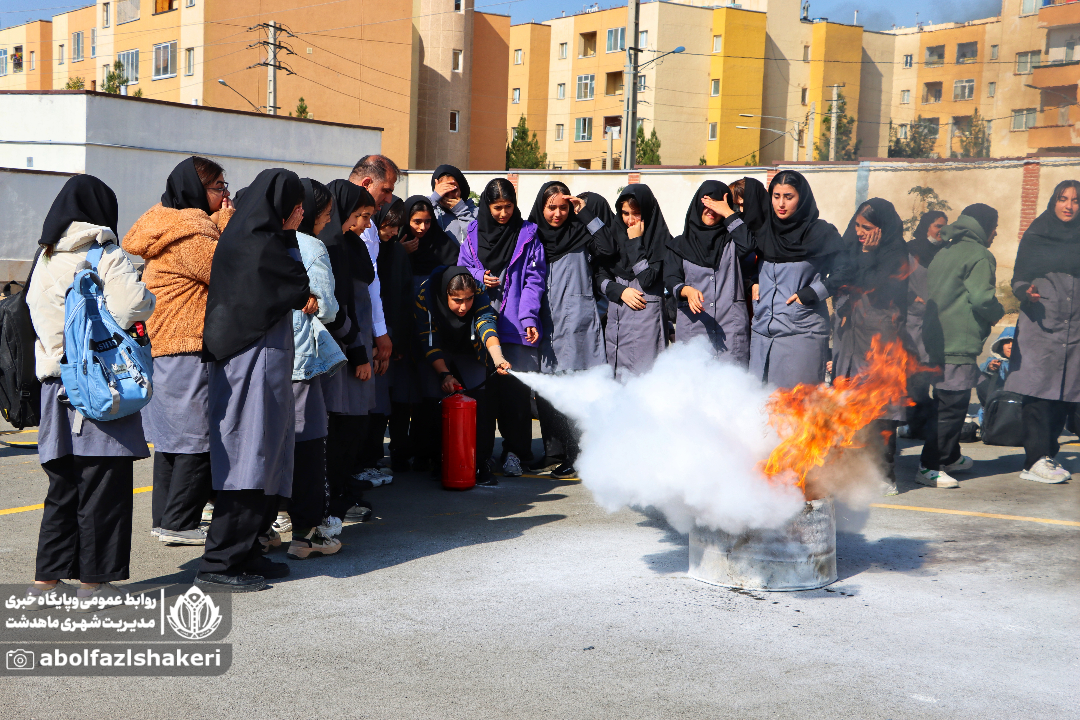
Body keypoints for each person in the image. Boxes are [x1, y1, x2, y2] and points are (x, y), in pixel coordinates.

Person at [25, 175, 156, 604]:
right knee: (104, 483)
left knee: (63, 483)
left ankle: (48, 577)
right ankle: (94, 582)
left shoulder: (44, 257)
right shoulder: (104, 253)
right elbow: (130, 305)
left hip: (55, 384)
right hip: (99, 383)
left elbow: (32, 310)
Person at [197, 168, 311, 591]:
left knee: (268, 455)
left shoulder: (257, 238)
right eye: (294, 206)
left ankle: (248, 551)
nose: (299, 213)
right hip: (249, 362)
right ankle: (221, 560)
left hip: (265, 360)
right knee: (248, 457)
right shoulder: (258, 245)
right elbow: (301, 286)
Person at [122, 156, 230, 546]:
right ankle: (181, 521)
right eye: (219, 187)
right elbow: (228, 274)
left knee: (172, 439)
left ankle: (167, 519)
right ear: (196, 191)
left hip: (164, 345)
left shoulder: (168, 226)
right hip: (186, 343)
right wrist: (226, 224)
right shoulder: (193, 233)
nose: (225, 194)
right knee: (195, 437)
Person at [458, 178, 546, 476]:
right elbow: (461, 271)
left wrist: (529, 318)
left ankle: (515, 453)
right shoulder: (471, 234)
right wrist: (479, 276)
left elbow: (535, 280)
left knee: (516, 398)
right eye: (497, 207)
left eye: (508, 207)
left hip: (516, 327)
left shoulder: (527, 234)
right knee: (483, 396)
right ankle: (482, 456)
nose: (503, 213)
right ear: (486, 205)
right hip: (481, 325)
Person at [527, 182, 616, 476]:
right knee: (549, 390)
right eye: (551, 207)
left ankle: (576, 455)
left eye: (563, 207)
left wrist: (585, 213)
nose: (557, 213)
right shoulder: (533, 235)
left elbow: (608, 247)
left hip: (577, 318)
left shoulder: (581, 232)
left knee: (574, 389)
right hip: (544, 320)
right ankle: (553, 452)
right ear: (541, 207)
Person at [918, 204, 1005, 489]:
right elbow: (982, 299)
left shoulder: (945, 251)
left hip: (936, 338)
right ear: (984, 227)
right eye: (994, 227)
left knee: (944, 400)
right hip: (958, 341)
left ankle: (951, 456)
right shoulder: (980, 255)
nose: (995, 233)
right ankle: (930, 465)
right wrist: (998, 311)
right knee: (952, 406)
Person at [831, 199, 910, 494]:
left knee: (881, 409)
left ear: (882, 229)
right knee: (850, 407)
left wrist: (868, 254)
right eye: (858, 226)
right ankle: (851, 471)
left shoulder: (895, 253)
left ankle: (885, 473)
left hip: (880, 338)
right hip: (850, 337)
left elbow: (877, 287)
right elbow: (839, 278)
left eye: (868, 228)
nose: (861, 232)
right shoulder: (849, 246)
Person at [1004, 180, 1080, 484]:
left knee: (1063, 393)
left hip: (1074, 329)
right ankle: (1034, 460)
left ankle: (1047, 455)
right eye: (1063, 199)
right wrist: (1027, 292)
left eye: (1075, 201)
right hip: (1041, 324)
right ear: (1053, 201)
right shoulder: (1036, 235)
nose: (1069, 206)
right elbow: (1019, 278)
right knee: (1038, 393)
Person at [743, 171, 849, 388]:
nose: (781, 204)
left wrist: (812, 293)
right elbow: (751, 262)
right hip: (763, 334)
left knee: (796, 410)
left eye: (788, 197)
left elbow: (846, 269)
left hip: (802, 334)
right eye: (776, 196)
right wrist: (753, 281)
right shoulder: (765, 230)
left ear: (802, 198)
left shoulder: (821, 232)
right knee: (759, 410)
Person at [287, 178, 345, 559]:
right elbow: (326, 306)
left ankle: (268, 527)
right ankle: (307, 536)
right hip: (301, 360)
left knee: (272, 448)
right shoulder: (310, 246)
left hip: (259, 361)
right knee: (309, 447)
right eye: (324, 215)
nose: (326, 222)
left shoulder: (251, 239)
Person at [415, 266, 513, 486]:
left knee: (480, 403)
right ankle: (440, 462)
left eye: (468, 300)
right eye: (457, 300)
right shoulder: (426, 294)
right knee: (435, 401)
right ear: (445, 294)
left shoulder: (478, 289)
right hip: (438, 348)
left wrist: (498, 358)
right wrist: (445, 375)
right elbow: (427, 339)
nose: (463, 306)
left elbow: (486, 322)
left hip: (471, 349)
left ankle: (480, 462)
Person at [319, 180, 379, 521]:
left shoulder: (350, 245)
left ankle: (340, 491)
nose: (366, 224)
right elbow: (336, 307)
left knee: (353, 424)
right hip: (341, 350)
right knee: (338, 427)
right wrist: (357, 352)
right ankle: (332, 498)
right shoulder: (329, 247)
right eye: (361, 215)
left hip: (357, 342)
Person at [398, 195, 461, 470]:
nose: (422, 228)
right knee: (401, 395)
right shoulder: (397, 245)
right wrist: (401, 254)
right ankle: (401, 452)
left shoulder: (446, 245)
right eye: (416, 222)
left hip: (434, 329)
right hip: (402, 329)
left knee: (430, 391)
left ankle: (430, 453)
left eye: (427, 222)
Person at [664, 180, 755, 365]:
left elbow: (749, 245)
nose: (711, 210)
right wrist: (686, 291)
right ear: (698, 204)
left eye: (717, 205)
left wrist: (729, 213)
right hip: (694, 332)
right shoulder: (679, 245)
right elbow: (670, 278)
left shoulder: (733, 242)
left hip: (730, 333)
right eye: (707, 203)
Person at [595, 184, 670, 380]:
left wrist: (635, 243)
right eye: (625, 213)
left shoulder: (661, 242)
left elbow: (647, 278)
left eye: (636, 213)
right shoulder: (615, 237)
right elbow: (600, 276)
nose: (629, 220)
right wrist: (619, 291)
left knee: (643, 385)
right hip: (616, 329)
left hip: (645, 328)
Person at [370, 198, 418, 472]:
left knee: (391, 401)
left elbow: (401, 300)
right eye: (387, 226)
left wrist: (397, 341)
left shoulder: (396, 253)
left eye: (396, 228)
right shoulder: (369, 249)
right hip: (374, 338)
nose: (391, 233)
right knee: (373, 404)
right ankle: (372, 456)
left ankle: (392, 453)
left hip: (392, 340)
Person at [899, 210, 949, 440]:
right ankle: (910, 421)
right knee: (912, 375)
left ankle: (920, 423)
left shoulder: (945, 252)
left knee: (927, 374)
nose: (941, 231)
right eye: (938, 226)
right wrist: (912, 299)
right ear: (927, 226)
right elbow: (899, 282)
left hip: (936, 320)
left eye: (944, 226)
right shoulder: (911, 251)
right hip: (913, 321)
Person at [430, 164, 477, 245]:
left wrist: (461, 211)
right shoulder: (432, 210)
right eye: (444, 190)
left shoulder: (474, 212)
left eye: (454, 190)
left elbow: (476, 240)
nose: (450, 196)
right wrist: (435, 198)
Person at [976, 327, 1014, 424]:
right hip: (998, 399)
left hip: (1016, 404)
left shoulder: (1026, 364)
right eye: (1007, 343)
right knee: (981, 377)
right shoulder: (995, 361)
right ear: (1001, 345)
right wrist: (990, 367)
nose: (1010, 346)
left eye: (1013, 342)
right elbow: (983, 367)